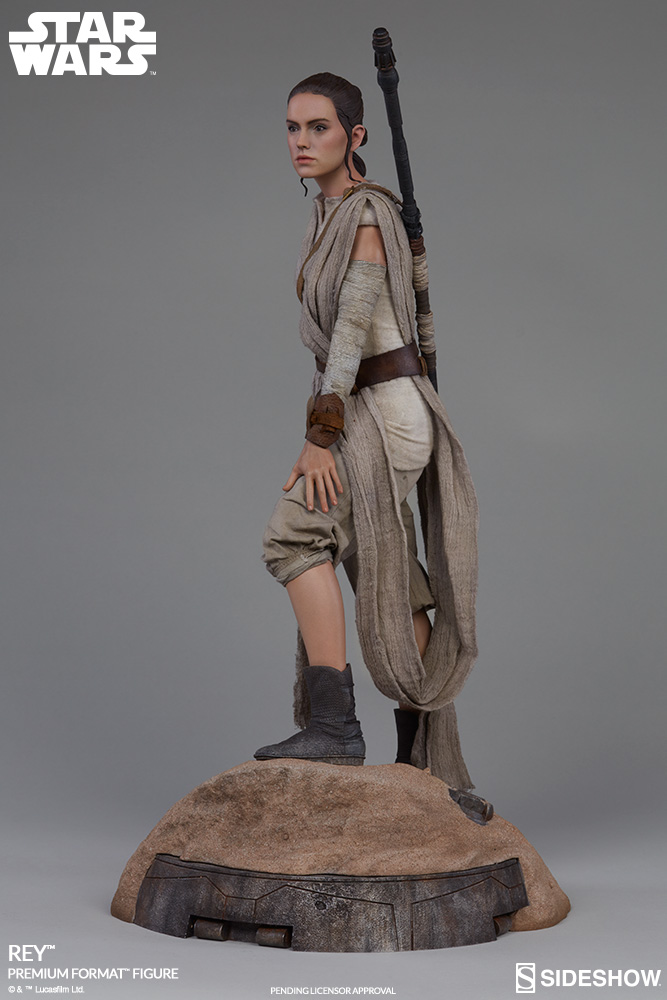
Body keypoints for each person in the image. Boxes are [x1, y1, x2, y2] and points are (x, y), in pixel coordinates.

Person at [256, 73, 480, 790]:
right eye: (292, 127)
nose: (301, 141)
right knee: (378, 560)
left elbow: (352, 329)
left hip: (383, 413)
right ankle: (422, 755)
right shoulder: (328, 212)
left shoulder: (364, 214)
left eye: (318, 127)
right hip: (363, 408)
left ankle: (335, 728)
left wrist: (320, 437)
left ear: (354, 135)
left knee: (295, 539)